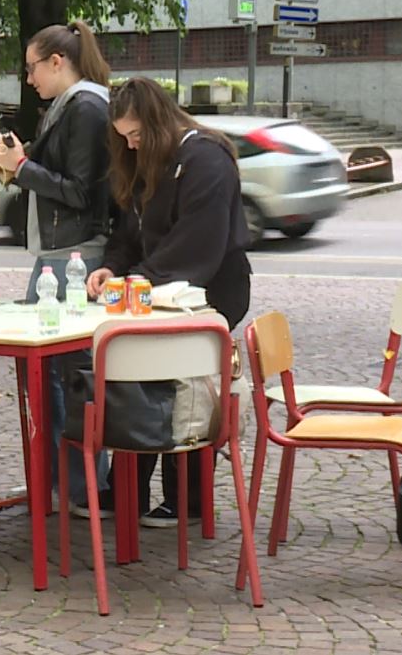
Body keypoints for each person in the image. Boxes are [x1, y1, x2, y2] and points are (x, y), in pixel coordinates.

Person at [84, 76, 251, 527]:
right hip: (160, 291)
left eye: (136, 135)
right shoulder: (151, 161)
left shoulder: (206, 161)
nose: (132, 146)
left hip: (209, 293)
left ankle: (188, 499)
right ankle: (131, 493)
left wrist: (136, 280)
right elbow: (130, 232)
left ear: (156, 124)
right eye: (124, 139)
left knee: (185, 391)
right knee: (140, 385)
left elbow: (196, 244)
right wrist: (113, 268)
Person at [0, 19, 113, 517]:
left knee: (71, 375)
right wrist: (14, 161)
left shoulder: (84, 106)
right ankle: (70, 487)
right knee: (62, 374)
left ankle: (80, 488)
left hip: (73, 253)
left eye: (33, 68)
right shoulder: (74, 105)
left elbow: (78, 189)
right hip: (62, 251)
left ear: (57, 62)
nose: (30, 78)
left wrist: (22, 168)